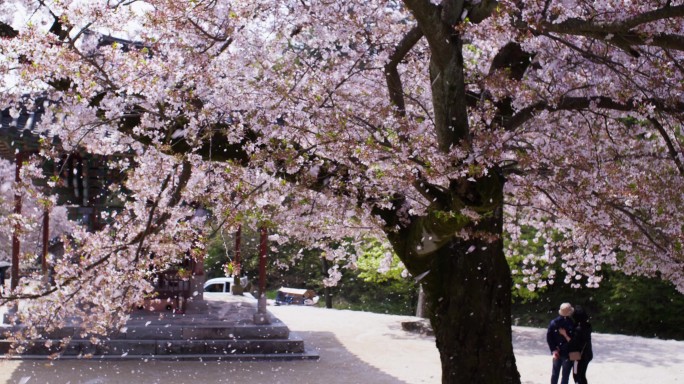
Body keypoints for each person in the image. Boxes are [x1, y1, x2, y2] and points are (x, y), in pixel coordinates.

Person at [559, 306, 593, 384]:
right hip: (587, 353)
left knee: (576, 375)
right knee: (582, 375)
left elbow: (573, 342)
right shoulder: (587, 326)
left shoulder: (578, 328)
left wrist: (564, 334)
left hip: (578, 355)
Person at [547, 302, 575, 384]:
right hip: (568, 352)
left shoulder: (554, 322)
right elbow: (573, 340)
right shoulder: (571, 323)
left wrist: (554, 349)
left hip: (557, 351)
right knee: (565, 376)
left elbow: (549, 337)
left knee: (555, 374)